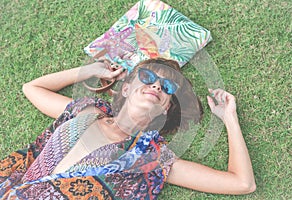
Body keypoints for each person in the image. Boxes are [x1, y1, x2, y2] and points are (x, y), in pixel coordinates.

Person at [0, 58, 256, 199]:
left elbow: (242, 183)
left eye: (167, 88)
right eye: (147, 78)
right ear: (125, 88)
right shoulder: (88, 109)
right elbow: (32, 89)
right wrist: (89, 70)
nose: (156, 86)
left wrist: (229, 119)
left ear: (166, 107)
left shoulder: (153, 157)